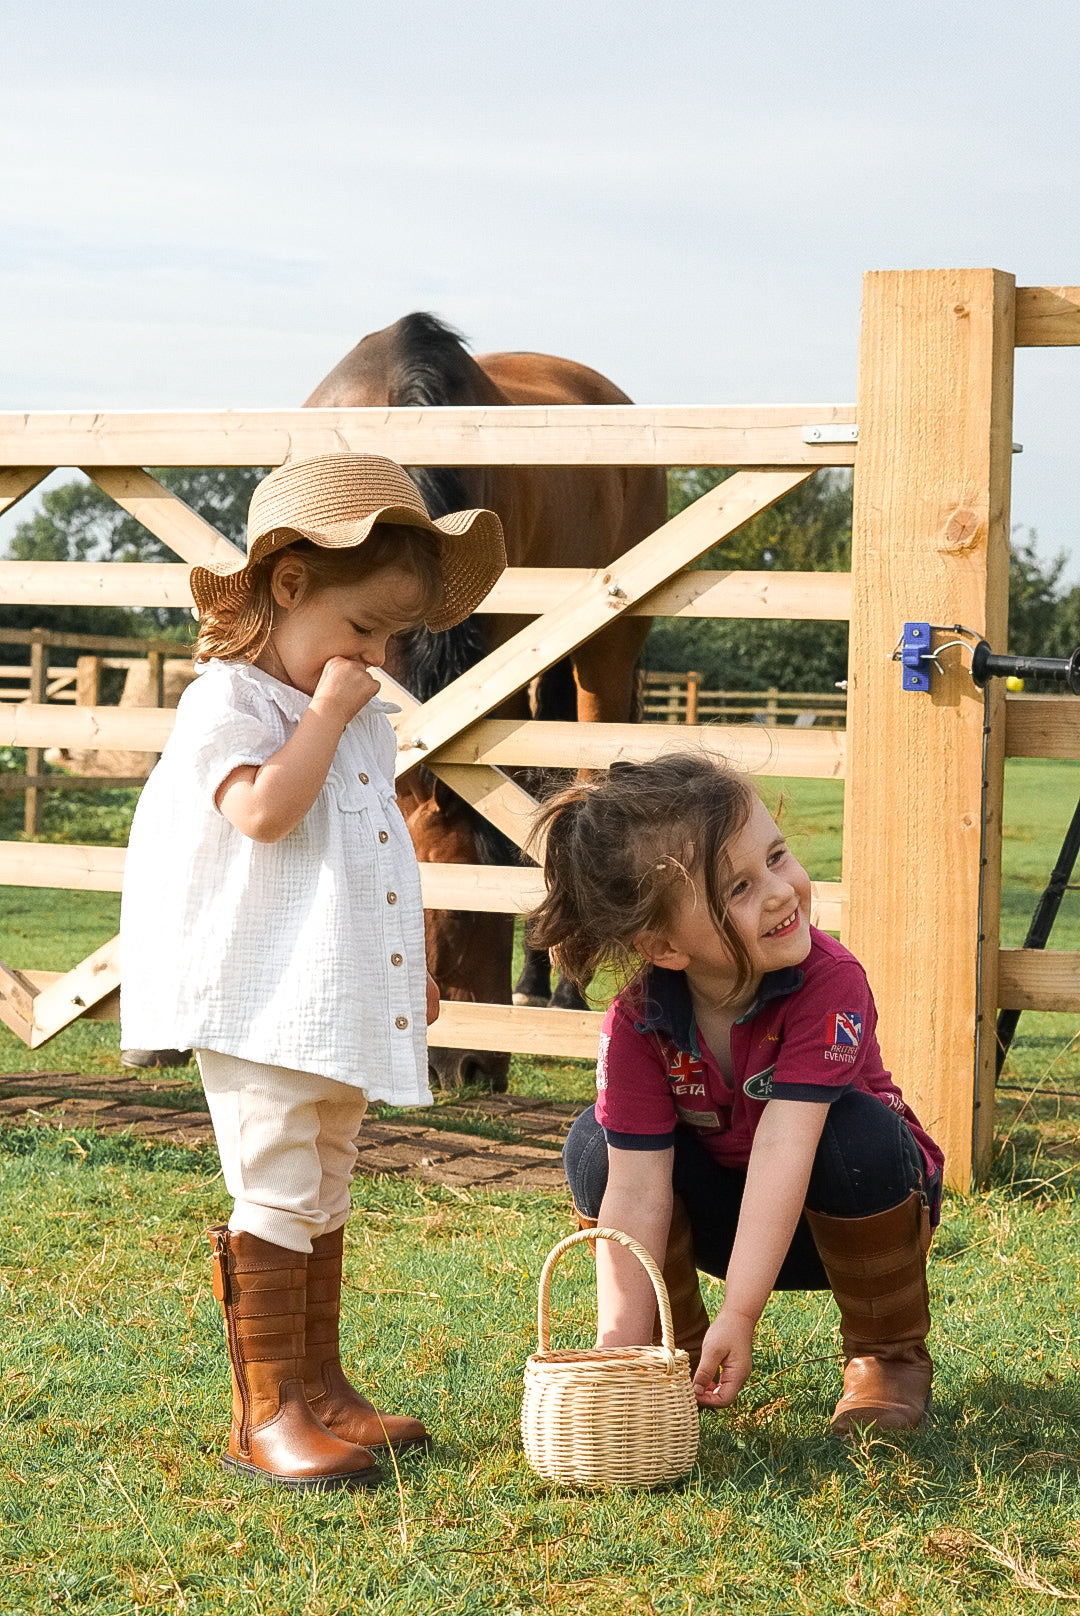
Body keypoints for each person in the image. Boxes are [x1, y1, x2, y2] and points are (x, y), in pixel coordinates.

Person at [120, 453, 505, 1489]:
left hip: (326, 993)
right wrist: (327, 716)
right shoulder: (230, 704)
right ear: (289, 584)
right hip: (258, 996)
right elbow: (265, 812)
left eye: (389, 640)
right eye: (363, 629)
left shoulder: (358, 720)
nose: (375, 658)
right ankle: (267, 1412)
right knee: (279, 1179)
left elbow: (372, 851)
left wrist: (400, 969)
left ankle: (320, 1388)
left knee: (327, 1175)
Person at [526, 753, 944, 1436]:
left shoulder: (830, 981)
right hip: (724, 1221)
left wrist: (741, 1313)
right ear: (664, 946)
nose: (780, 892)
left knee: (851, 1131)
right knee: (596, 1145)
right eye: (740, 888)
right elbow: (635, 1191)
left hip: (857, 1217)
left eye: (777, 858)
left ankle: (886, 1356)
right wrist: (618, 1348)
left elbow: (785, 1147)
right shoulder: (639, 1021)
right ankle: (673, 1354)